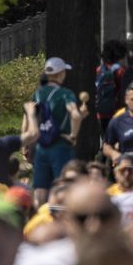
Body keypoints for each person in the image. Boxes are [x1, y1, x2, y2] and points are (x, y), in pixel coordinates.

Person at [28, 57, 84, 204]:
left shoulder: (37, 94)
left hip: (41, 146)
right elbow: (76, 115)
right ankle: (59, 219)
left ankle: (40, 217)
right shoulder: (66, 93)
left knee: (40, 188)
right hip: (61, 145)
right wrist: (73, 135)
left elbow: (31, 117)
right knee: (62, 185)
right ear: (60, 73)